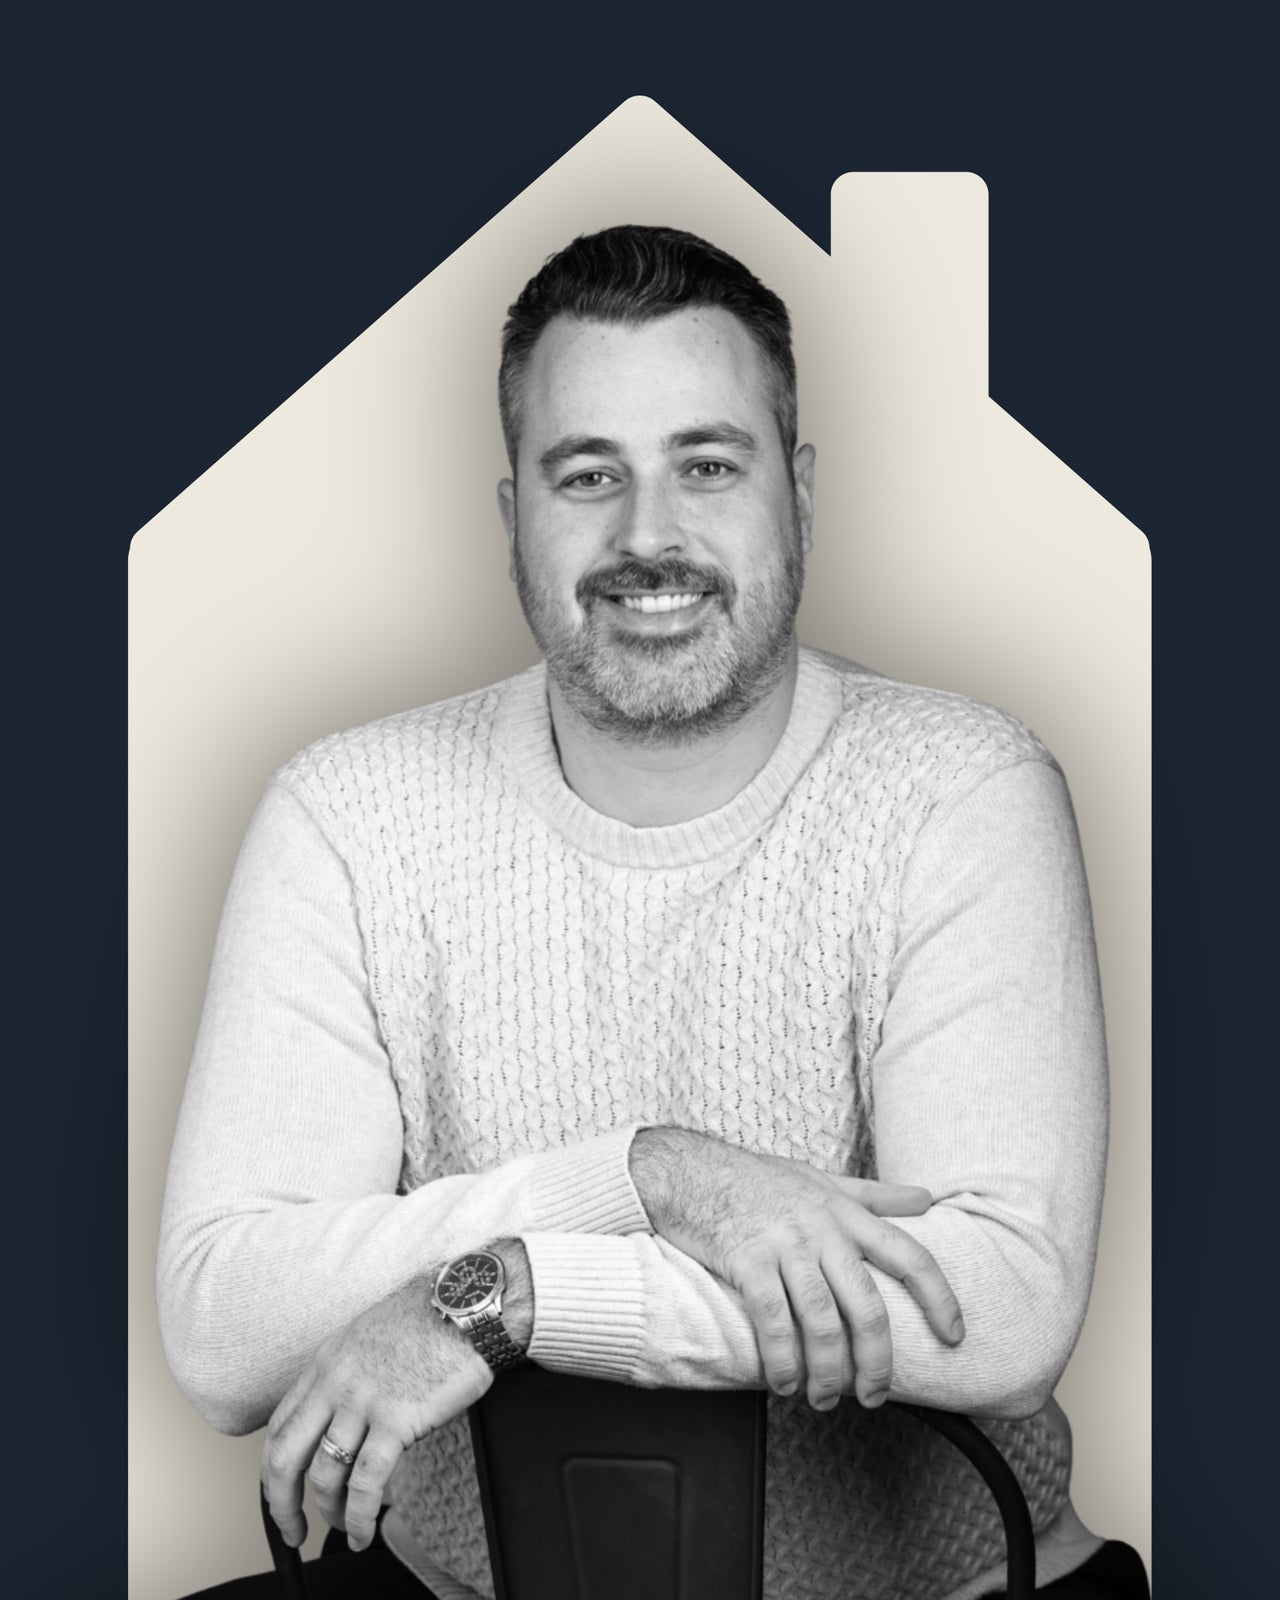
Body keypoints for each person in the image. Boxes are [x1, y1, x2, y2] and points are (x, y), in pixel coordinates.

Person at [158, 225, 1148, 1599]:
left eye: (708, 465)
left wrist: (512, 1296)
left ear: (800, 494)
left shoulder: (958, 790)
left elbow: (995, 1303)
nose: (648, 537)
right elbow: (223, 1325)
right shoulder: (348, 815)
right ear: (512, 517)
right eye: (588, 475)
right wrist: (647, 1176)